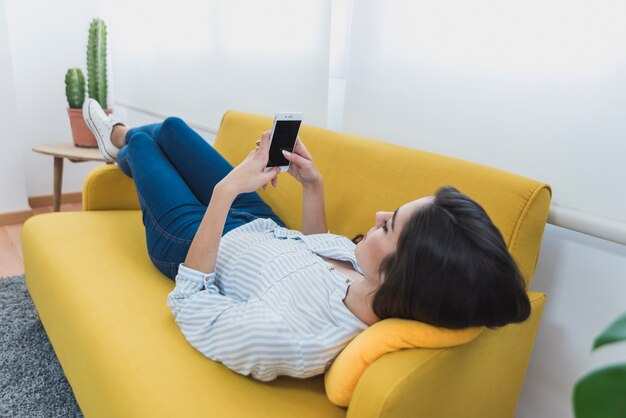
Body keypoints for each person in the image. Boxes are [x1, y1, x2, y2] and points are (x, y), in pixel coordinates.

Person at [82, 98, 531, 381]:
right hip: (257, 219)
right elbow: (309, 253)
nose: (377, 215)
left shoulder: (295, 337)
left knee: (145, 146)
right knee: (175, 128)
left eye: (389, 225)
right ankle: (124, 148)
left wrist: (225, 192)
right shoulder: (367, 278)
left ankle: (119, 141)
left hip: (191, 240)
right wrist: (312, 184)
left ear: (401, 275)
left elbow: (189, 305)